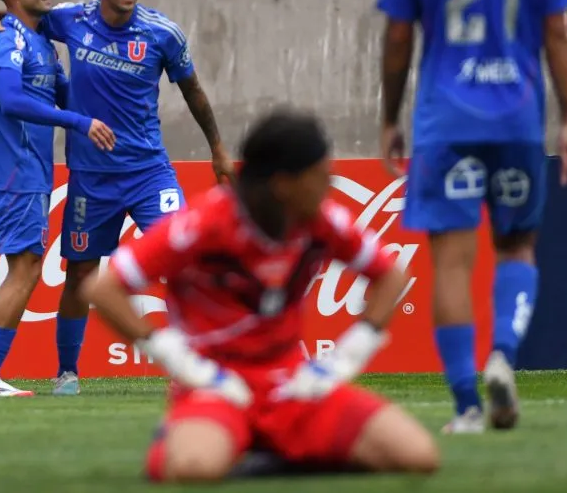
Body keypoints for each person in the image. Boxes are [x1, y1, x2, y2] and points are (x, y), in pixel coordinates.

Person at [82, 109, 440, 483]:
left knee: (418, 455)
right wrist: (181, 362)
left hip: (294, 387)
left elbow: (391, 276)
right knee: (194, 468)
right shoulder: (204, 223)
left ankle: (268, 449)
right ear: (283, 184)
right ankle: (203, 440)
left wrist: (344, 360)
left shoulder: (321, 219)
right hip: (215, 386)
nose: (330, 182)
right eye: (320, 174)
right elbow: (102, 289)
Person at [376, 0, 567, 433]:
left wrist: (390, 118)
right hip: (518, 117)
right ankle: (503, 356)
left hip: (446, 120)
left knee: (450, 261)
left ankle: (467, 404)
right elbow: (556, 31)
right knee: (517, 245)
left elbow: (397, 37)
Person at [0, 0, 234, 396]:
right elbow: (21, 16)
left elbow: (193, 90)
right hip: (90, 179)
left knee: (181, 260)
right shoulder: (70, 20)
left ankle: (193, 364)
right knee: (79, 274)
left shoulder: (163, 33)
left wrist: (217, 148)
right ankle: (67, 373)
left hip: (149, 172)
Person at [0, 0, 116, 397]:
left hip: (30, 169)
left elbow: (69, 98)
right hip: (13, 169)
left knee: (26, 266)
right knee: (26, 268)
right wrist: (78, 123)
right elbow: (11, 100)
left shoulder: (39, 42)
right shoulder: (9, 38)